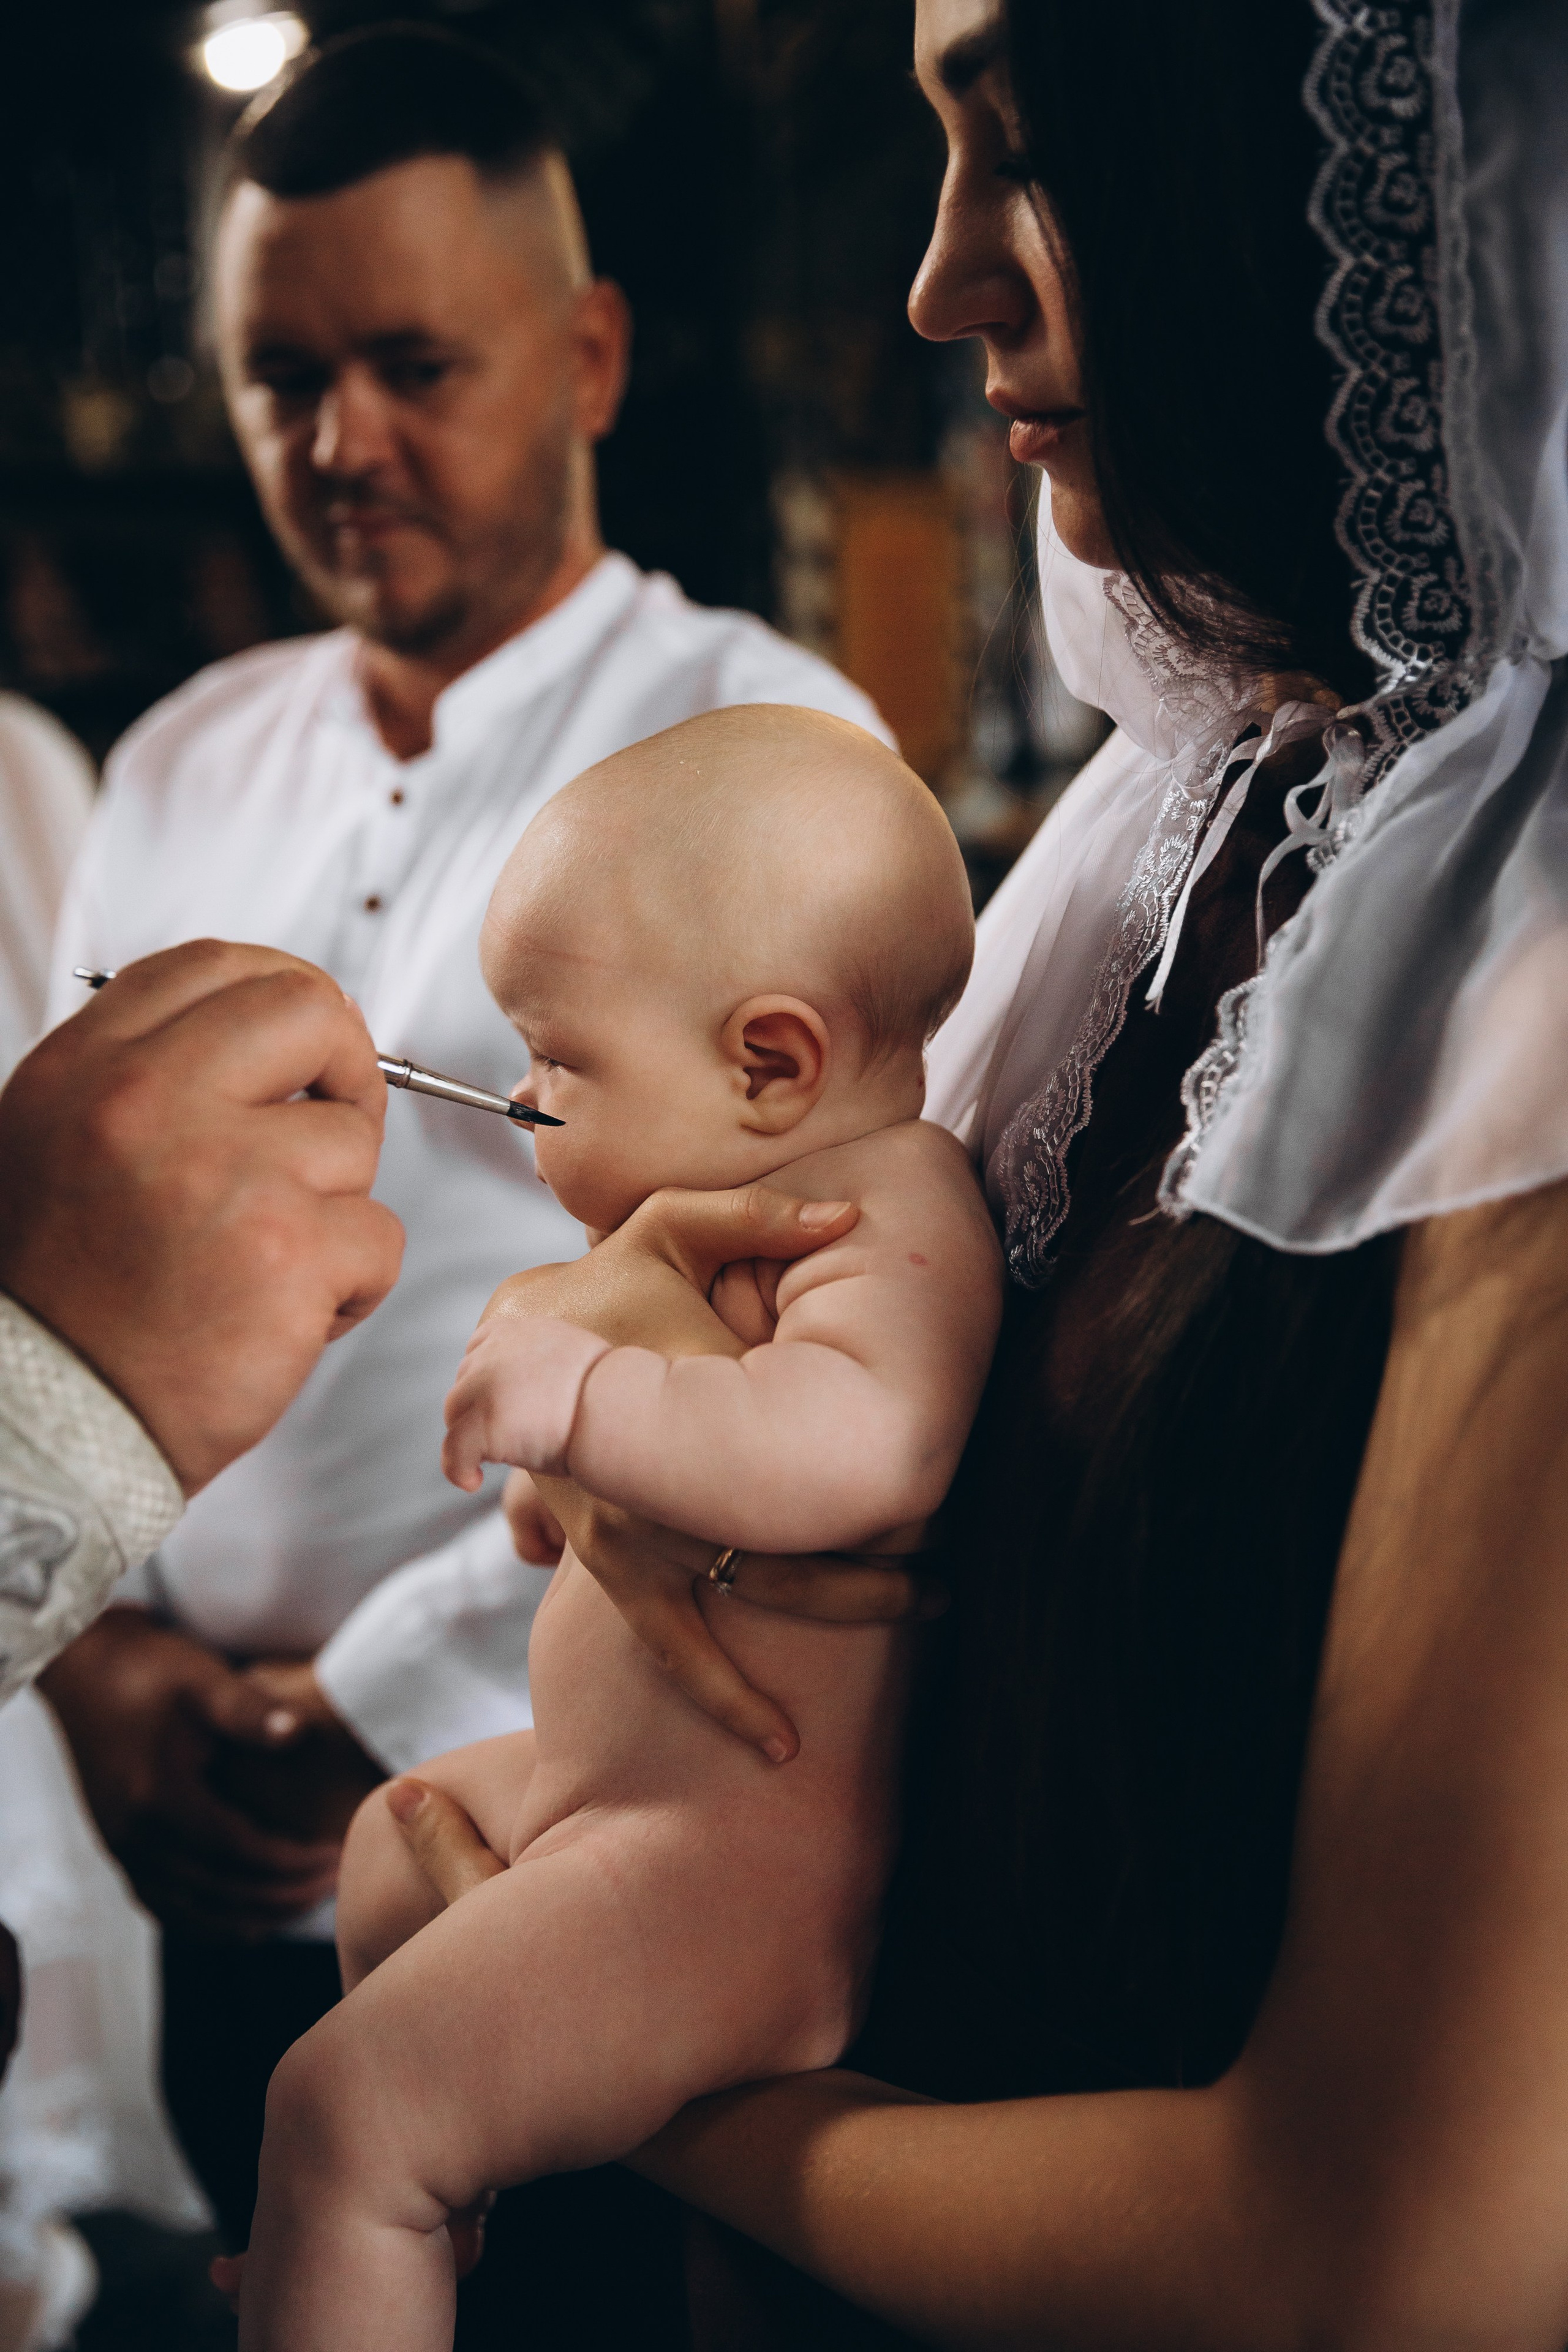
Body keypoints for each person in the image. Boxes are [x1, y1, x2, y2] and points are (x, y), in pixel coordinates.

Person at [372, 0, 1568, 2344]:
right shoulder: (1207, 807)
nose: (939, 281)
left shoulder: (1530, 980)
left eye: (1033, 149)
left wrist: (589, 2065)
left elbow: (1391, 2252)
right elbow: (812, 1289)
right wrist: (639, 1348)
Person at [36, 21, 891, 2265]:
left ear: (591, 355)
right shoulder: (176, 771)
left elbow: (816, 1305)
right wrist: (103, 1658)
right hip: (167, 1793)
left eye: (416, 363)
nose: (342, 444)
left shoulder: (774, 749)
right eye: (278, 377)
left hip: (586, 1812)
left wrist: (364, 1704)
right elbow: (59, 1242)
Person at [234, 704, 1000, 2350]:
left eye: (559, 1059)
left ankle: (368, 2197)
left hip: (728, 1878)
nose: (521, 1097)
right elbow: (556, 1530)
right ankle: (392, 2233)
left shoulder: (883, 1215)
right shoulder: (718, 1222)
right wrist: (566, 1426)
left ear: (768, 1062)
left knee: (333, 2108)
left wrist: (584, 1401)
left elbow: (867, 1452)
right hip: (618, 1805)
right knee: (396, 1833)